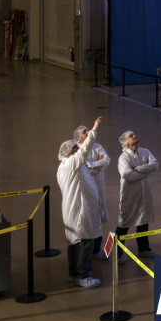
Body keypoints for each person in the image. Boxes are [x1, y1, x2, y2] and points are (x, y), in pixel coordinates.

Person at [56, 117, 103, 289]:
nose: (78, 149)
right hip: (80, 211)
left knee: (75, 243)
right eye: (75, 147)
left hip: (77, 209)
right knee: (84, 242)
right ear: (68, 152)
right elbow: (84, 150)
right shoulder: (70, 164)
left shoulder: (72, 165)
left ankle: (73, 274)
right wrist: (94, 129)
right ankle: (83, 276)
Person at [115, 131, 159, 263]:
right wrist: (146, 172)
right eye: (131, 136)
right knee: (124, 222)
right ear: (126, 142)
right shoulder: (123, 158)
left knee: (143, 221)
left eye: (133, 135)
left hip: (145, 193)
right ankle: (118, 253)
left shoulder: (145, 151)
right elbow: (127, 174)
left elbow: (155, 165)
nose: (134, 136)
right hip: (130, 195)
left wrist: (138, 169)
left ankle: (144, 249)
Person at [74, 124, 110, 260]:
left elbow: (106, 161)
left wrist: (92, 165)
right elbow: (83, 168)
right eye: (85, 132)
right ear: (79, 137)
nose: (88, 132)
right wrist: (97, 166)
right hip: (85, 189)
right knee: (87, 219)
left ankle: (96, 249)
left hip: (98, 186)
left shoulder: (97, 146)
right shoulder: (77, 150)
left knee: (98, 218)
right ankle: (85, 250)